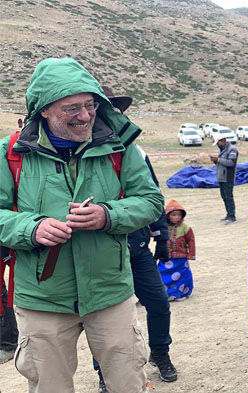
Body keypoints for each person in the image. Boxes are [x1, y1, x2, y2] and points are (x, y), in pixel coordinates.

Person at [0, 57, 163, 393]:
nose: (86, 116)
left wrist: (108, 215)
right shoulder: (9, 153)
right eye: (72, 108)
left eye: (90, 105)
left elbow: (151, 201)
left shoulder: (120, 145)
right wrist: (32, 228)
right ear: (43, 110)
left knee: (129, 383)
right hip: (41, 299)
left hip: (109, 292)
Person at [91, 86, 177, 392]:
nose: (114, 115)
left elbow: (151, 197)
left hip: (138, 248)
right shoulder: (80, 157)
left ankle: (160, 353)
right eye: (107, 108)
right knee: (101, 320)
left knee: (159, 303)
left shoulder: (137, 152)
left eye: (117, 109)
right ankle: (104, 374)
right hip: (101, 253)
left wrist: (162, 236)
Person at [159, 200, 195, 300]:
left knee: (182, 276)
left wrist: (191, 254)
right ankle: (168, 293)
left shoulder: (185, 228)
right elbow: (153, 233)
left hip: (181, 258)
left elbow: (191, 241)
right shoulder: (163, 227)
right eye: (174, 215)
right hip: (166, 257)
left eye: (179, 215)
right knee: (163, 274)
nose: (177, 217)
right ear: (167, 215)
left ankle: (181, 294)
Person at [210, 134, 238, 223]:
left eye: (218, 143)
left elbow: (231, 163)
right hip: (221, 177)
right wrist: (215, 161)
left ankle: (232, 216)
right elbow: (221, 163)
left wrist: (218, 160)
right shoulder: (222, 150)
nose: (218, 145)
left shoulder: (232, 149)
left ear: (223, 141)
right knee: (224, 197)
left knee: (229, 197)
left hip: (228, 177)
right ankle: (228, 214)